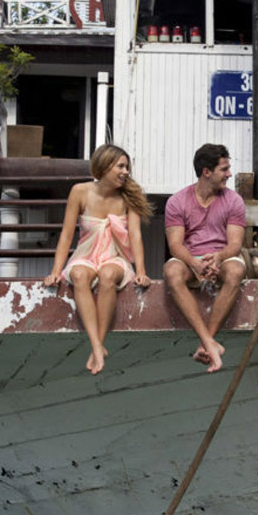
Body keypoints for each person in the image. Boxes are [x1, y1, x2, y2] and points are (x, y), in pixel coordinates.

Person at [44, 144, 153, 374]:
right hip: (86, 255)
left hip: (115, 257)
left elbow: (135, 235)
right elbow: (66, 235)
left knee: (107, 275)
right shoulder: (79, 191)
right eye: (120, 166)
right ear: (104, 166)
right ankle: (97, 346)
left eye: (127, 167)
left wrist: (141, 271)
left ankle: (98, 345)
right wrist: (56, 271)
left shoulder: (129, 196)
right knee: (79, 275)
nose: (126, 172)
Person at [163, 143, 247, 373]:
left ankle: (206, 341)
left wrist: (218, 257)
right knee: (171, 271)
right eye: (224, 169)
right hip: (190, 258)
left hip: (223, 255)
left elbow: (235, 245)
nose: (229, 174)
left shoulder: (234, 201)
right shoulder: (177, 201)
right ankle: (210, 343)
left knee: (236, 271)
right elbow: (175, 246)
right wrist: (194, 262)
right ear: (206, 171)